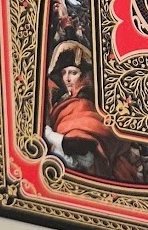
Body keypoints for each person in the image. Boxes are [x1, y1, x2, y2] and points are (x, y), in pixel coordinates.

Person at [44, 40, 136, 181]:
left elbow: (85, 149)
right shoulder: (63, 102)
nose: (67, 78)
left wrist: (50, 136)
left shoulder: (84, 103)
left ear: (84, 76)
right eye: (64, 73)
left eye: (73, 73)